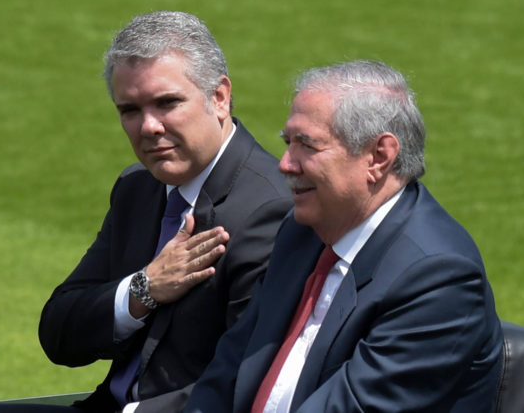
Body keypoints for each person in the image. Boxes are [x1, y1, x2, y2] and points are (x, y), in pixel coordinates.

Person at [0, 12, 293, 413]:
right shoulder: (138, 188)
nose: (148, 126)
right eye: (130, 110)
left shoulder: (272, 210)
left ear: (219, 97)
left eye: (167, 103)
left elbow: (247, 379)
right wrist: (143, 289)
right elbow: (59, 333)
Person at [184, 60, 502, 413]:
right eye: (288, 143)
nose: (285, 164)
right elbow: (228, 370)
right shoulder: (301, 232)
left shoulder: (438, 278)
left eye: (307, 146)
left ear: (378, 157)